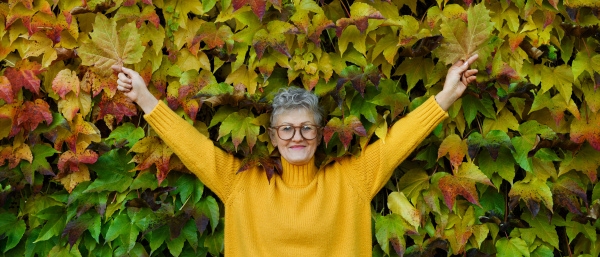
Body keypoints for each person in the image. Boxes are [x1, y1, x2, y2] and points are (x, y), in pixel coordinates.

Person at [111, 54, 478, 256]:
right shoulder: (241, 183)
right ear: (273, 137)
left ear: (320, 135)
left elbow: (401, 139)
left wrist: (448, 94)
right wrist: (143, 97)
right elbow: (190, 145)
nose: (296, 136)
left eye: (306, 128)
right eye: (286, 128)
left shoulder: (352, 178)